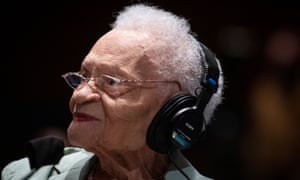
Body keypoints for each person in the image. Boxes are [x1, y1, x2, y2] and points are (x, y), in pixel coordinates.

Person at [2, 3, 224, 180]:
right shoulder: (24, 174)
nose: (79, 95)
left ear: (174, 111)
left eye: (111, 81)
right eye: (83, 77)